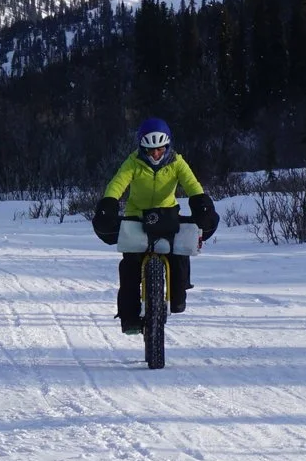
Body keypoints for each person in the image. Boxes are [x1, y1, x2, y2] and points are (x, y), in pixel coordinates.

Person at [92, 119, 220, 331]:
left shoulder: (177, 162)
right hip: (137, 217)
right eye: (150, 151)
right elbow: (117, 184)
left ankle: (178, 295)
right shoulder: (132, 162)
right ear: (141, 149)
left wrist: (202, 204)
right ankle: (130, 317)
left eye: (160, 150)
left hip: (167, 215)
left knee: (178, 254)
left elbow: (192, 185)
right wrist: (108, 204)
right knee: (130, 267)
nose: (155, 155)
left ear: (167, 147)